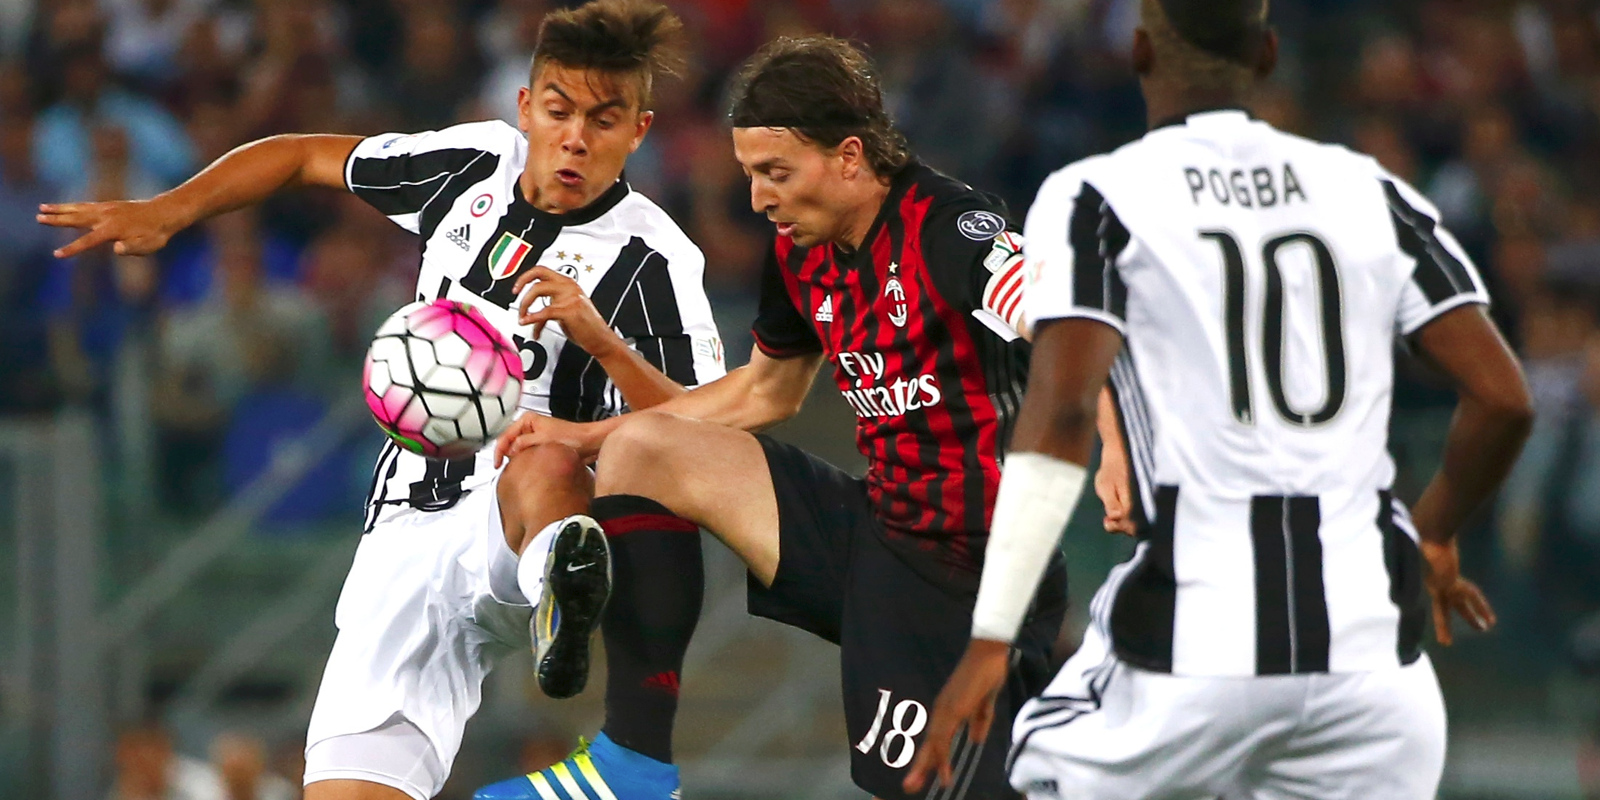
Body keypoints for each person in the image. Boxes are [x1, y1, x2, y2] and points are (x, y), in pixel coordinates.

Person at [38, 2, 724, 799]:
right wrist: (169, 210)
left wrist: (603, 342)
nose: (576, 138)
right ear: (526, 106)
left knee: (544, 453)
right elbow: (301, 156)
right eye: (561, 112)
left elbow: (701, 418)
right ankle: (551, 584)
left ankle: (559, 593)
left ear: (639, 130)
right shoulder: (472, 166)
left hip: (513, 513)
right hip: (401, 530)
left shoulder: (655, 258)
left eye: (603, 122)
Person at [905, 1, 1535, 798]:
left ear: (1139, 50)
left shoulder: (1097, 195)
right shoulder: (1366, 189)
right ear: (1267, 55)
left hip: (1194, 649)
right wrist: (1435, 531)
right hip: (1376, 674)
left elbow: (1062, 413)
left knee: (1029, 772)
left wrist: (991, 639)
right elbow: (1504, 396)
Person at [480, 34, 1069, 800]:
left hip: (977, 577)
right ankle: (630, 766)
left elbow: (1062, 323)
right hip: (877, 533)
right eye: (753, 174)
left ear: (850, 157)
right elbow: (765, 393)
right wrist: (590, 434)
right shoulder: (799, 251)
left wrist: (1116, 445)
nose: (759, 199)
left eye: (776, 174)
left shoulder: (945, 226)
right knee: (646, 447)